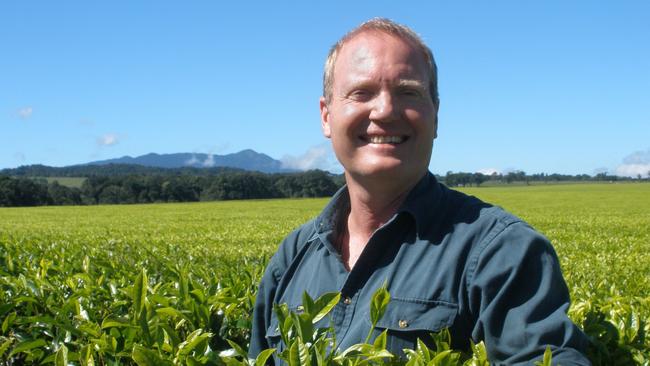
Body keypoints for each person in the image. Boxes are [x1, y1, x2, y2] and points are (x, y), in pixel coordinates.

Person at [249, 18, 591, 365]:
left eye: (408, 92)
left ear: (436, 115)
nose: (384, 110)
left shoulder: (501, 252)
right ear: (326, 116)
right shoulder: (293, 256)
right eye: (361, 93)